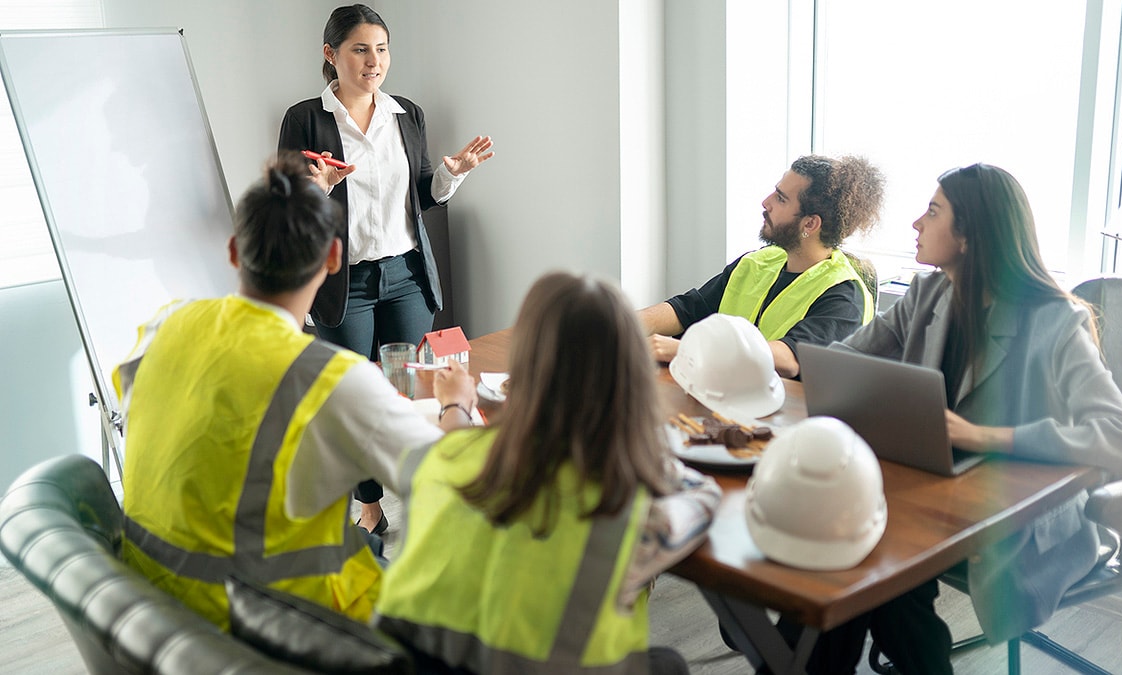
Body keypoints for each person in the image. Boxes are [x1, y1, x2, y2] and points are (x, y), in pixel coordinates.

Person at [782, 163, 1122, 673]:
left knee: (868, 563)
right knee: (857, 557)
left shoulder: (1055, 322)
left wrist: (985, 436)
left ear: (970, 236)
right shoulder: (928, 294)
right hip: (931, 498)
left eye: (932, 212)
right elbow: (838, 362)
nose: (915, 223)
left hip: (1018, 523)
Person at [114, 152, 479, 630]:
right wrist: (456, 402)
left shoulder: (166, 324)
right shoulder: (330, 378)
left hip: (159, 615)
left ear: (233, 251)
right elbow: (454, 477)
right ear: (333, 257)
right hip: (279, 631)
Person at [372, 272, 723, 674]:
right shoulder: (630, 513)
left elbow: (459, 449)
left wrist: (457, 408)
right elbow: (704, 499)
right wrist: (641, 446)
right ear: (630, 381)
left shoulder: (433, 459)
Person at [278, 3, 494, 535]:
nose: (374, 61)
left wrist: (452, 173)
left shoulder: (407, 114)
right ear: (331, 55)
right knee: (354, 401)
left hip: (405, 276)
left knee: (416, 393)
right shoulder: (305, 118)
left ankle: (429, 498)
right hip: (343, 284)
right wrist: (319, 188)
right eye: (359, 49)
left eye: (381, 48)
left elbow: (422, 196)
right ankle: (368, 503)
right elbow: (286, 204)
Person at [639, 154, 885, 379]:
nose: (766, 203)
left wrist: (691, 350)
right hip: (726, 396)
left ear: (810, 224)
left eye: (781, 199)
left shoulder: (844, 295)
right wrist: (624, 323)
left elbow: (789, 358)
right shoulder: (758, 262)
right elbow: (688, 309)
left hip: (785, 415)